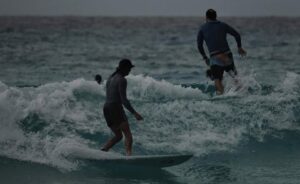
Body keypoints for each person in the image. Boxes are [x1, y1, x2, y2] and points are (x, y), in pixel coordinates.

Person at [197, 9, 247, 95]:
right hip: (227, 55)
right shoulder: (223, 25)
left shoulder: (203, 28)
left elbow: (199, 45)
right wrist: (239, 47)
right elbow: (237, 35)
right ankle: (243, 93)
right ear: (216, 17)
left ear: (206, 17)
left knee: (217, 80)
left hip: (215, 57)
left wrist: (205, 57)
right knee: (235, 77)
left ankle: (222, 97)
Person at [101, 59, 143, 156]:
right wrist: (134, 113)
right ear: (124, 68)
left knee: (118, 136)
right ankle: (129, 155)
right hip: (115, 107)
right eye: (129, 68)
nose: (129, 71)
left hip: (106, 108)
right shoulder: (122, 80)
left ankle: (104, 149)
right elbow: (124, 100)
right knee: (127, 134)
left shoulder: (110, 78)